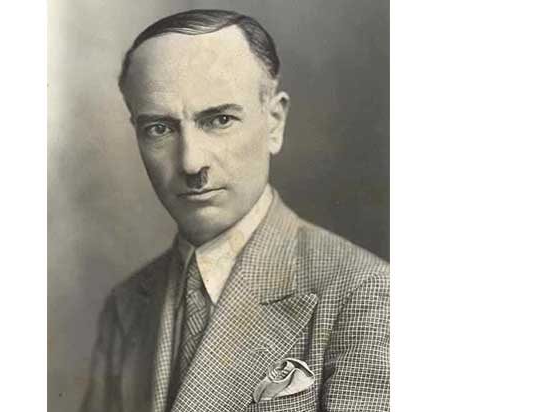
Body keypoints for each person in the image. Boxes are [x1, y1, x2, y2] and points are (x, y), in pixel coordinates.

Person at [81, 9, 389, 412]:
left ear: (274, 122)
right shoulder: (125, 307)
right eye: (159, 128)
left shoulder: (365, 295)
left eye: (219, 120)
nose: (191, 163)